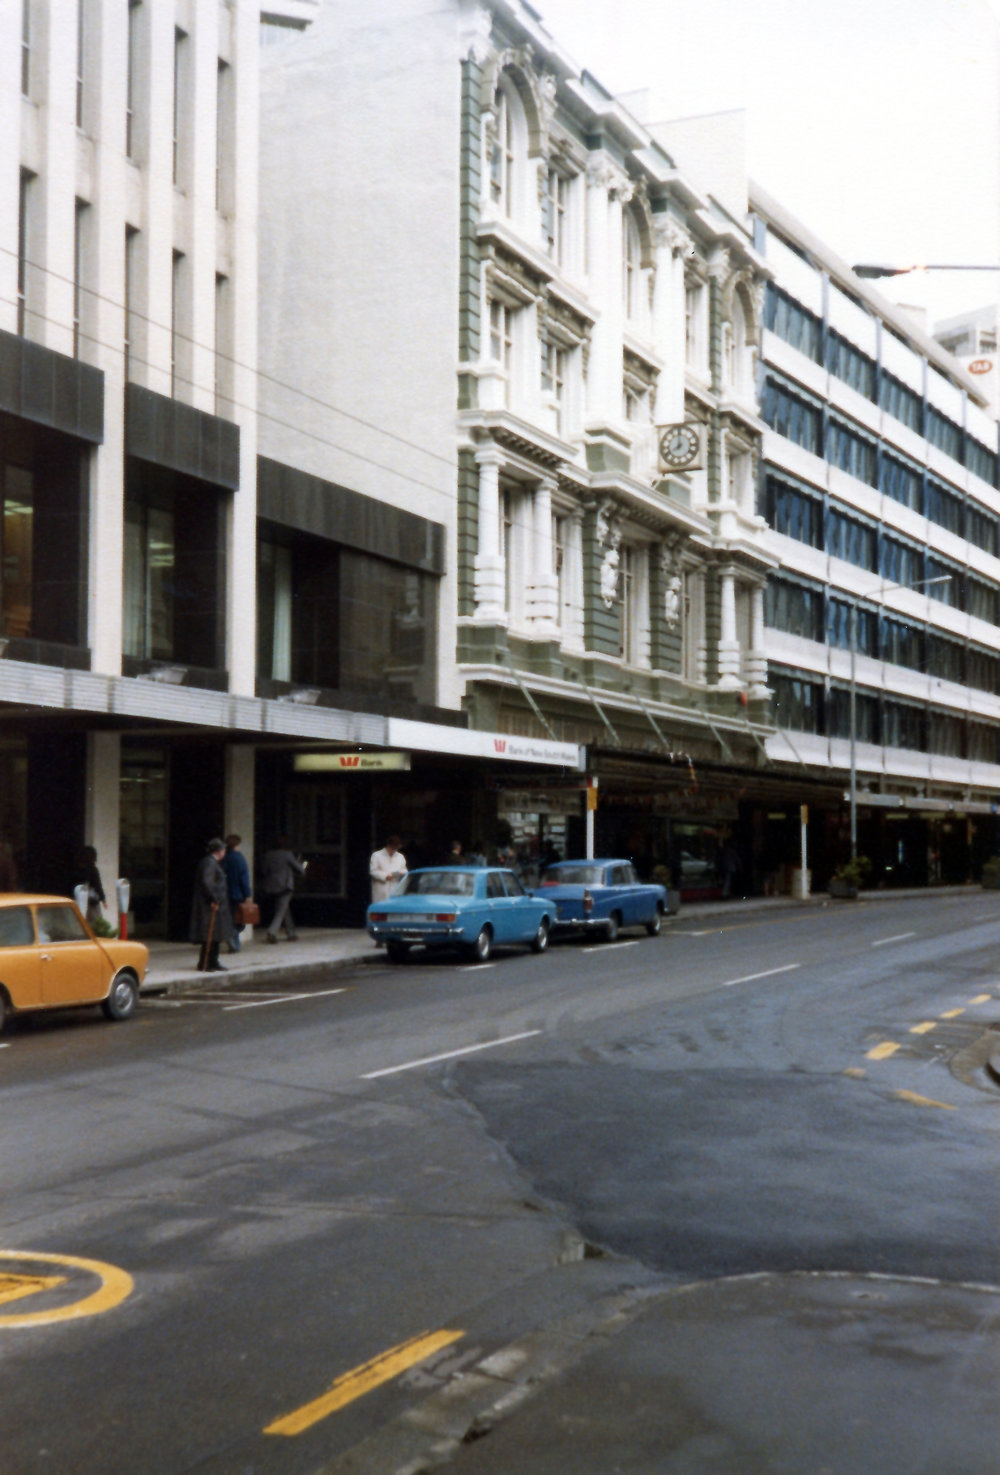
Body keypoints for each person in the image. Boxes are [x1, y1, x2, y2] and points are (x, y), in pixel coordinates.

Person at [189, 838, 231, 972]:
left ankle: (214, 961)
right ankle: (205, 962)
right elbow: (208, 883)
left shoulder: (212, 863)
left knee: (215, 935)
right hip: (210, 905)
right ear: (219, 851)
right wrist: (215, 898)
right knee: (210, 934)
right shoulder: (209, 863)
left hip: (215, 904)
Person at [261, 836, 306, 943]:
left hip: (272, 886)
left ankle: (291, 933)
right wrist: (302, 867)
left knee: (284, 909)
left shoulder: (268, 855)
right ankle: (272, 932)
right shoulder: (287, 854)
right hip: (285, 886)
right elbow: (299, 870)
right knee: (281, 910)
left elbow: (263, 871)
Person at [222, 834, 252, 953]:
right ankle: (233, 940)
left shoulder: (225, 858)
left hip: (225, 893)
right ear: (237, 845)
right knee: (239, 921)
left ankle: (232, 940)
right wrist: (248, 894)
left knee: (229, 917)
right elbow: (244, 878)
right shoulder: (240, 859)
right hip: (238, 894)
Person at [370, 835, 407, 901]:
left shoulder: (400, 857)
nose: (394, 850)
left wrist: (402, 873)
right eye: (392, 848)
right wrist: (385, 876)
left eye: (396, 848)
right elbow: (373, 871)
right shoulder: (376, 855)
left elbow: (405, 870)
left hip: (395, 888)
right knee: (380, 908)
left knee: (394, 909)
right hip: (381, 888)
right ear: (388, 845)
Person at [78, 845, 106, 925]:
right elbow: (98, 885)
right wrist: (103, 898)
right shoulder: (93, 870)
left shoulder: (79, 869)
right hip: (92, 901)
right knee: (97, 922)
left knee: (82, 921)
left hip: (80, 898)